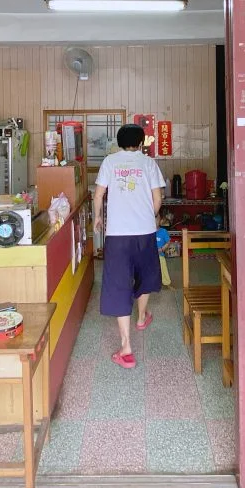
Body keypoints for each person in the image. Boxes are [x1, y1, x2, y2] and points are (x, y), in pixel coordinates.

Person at [93, 124, 166, 369]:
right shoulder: (148, 163)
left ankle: (126, 348)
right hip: (144, 232)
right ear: (141, 142)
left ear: (119, 141)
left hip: (117, 235)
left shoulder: (110, 162)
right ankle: (142, 317)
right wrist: (147, 215)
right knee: (146, 275)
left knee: (118, 284)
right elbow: (158, 199)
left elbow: (98, 194)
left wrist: (98, 217)